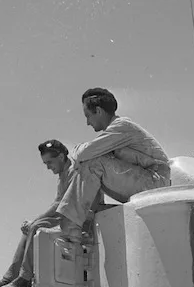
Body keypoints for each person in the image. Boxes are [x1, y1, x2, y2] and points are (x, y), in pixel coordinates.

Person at [56, 87, 171, 241]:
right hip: (147, 182)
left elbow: (83, 154)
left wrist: (77, 152)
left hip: (155, 182)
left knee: (92, 162)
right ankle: (87, 220)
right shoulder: (114, 133)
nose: (87, 122)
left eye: (88, 116)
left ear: (98, 111)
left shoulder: (121, 126)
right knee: (91, 161)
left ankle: (70, 226)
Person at [0, 139, 75, 287]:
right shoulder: (63, 174)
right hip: (67, 215)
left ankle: (25, 278)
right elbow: (58, 203)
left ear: (61, 157)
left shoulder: (74, 172)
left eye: (50, 162)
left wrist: (35, 222)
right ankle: (10, 278)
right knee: (29, 229)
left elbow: (59, 206)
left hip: (77, 219)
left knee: (35, 227)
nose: (48, 167)